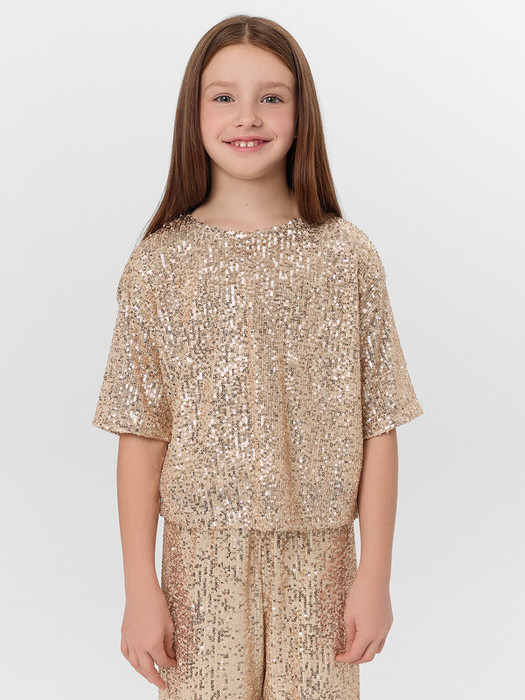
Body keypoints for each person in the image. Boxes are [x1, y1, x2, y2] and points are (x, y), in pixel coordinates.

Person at [92, 14, 424, 700]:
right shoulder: (160, 264)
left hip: (322, 560)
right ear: (193, 115)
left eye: (271, 97)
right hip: (200, 561)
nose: (248, 115)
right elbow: (141, 432)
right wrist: (139, 586)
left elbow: (379, 423)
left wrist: (375, 576)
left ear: (302, 115)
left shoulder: (347, 257)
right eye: (223, 97)